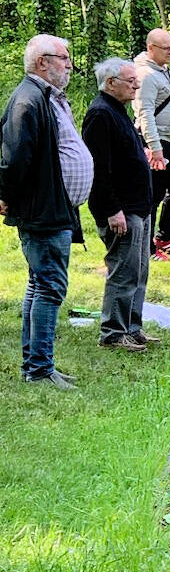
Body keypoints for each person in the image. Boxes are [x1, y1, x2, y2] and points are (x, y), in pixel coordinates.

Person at [0, 34, 93, 389]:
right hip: (43, 213)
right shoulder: (28, 99)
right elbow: (14, 157)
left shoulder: (42, 97)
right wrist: (6, 194)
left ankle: (36, 365)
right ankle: (39, 369)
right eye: (63, 58)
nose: (69, 64)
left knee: (40, 285)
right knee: (50, 287)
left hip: (52, 209)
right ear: (42, 62)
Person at [82, 59, 155, 352]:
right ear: (110, 82)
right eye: (130, 81)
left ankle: (132, 327)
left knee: (139, 271)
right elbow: (98, 169)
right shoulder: (100, 114)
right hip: (122, 209)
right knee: (123, 271)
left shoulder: (118, 111)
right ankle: (113, 332)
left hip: (139, 206)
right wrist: (112, 209)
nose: (136, 85)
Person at [133, 29, 170, 260]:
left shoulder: (164, 70)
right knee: (154, 194)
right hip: (157, 142)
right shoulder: (145, 75)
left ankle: (163, 237)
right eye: (165, 48)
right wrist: (155, 148)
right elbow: (144, 113)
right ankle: (147, 248)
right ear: (151, 48)